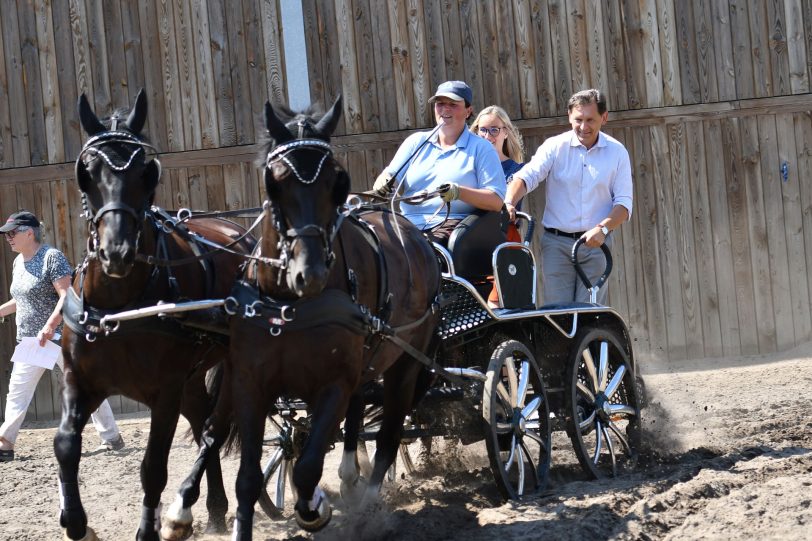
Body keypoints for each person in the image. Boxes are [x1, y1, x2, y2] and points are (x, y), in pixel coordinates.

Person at [0, 211, 124, 462]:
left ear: (29, 233)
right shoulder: (18, 263)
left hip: (60, 336)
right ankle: (5, 444)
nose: (8, 238)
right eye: (6, 234)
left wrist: (50, 324)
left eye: (12, 233)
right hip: (31, 340)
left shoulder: (50, 257)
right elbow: (21, 299)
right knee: (17, 392)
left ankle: (111, 438)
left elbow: (67, 295)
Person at [504, 89, 633, 305]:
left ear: (604, 117)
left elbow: (624, 204)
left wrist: (602, 229)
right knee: (558, 315)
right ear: (569, 117)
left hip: (596, 245)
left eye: (590, 120)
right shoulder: (554, 147)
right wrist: (509, 202)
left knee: (589, 314)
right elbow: (528, 176)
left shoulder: (617, 152)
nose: (584, 127)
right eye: (578, 120)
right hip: (556, 244)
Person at [372, 80, 506, 245]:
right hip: (405, 224)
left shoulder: (481, 148)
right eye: (440, 104)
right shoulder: (415, 142)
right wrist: (383, 183)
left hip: (453, 226)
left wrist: (459, 192)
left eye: (453, 104)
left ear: (468, 111)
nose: (445, 109)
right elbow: (390, 175)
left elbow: (496, 201)